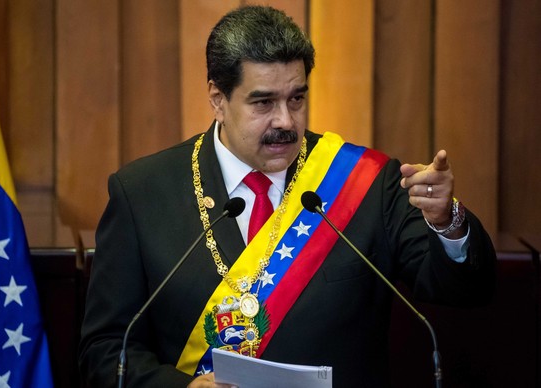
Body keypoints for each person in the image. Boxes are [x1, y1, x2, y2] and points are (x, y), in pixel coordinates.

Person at [79, 5, 496, 387]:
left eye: (297, 99)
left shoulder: (364, 182)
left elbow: (463, 290)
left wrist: (446, 221)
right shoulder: (143, 193)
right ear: (217, 100)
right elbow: (104, 352)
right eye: (263, 102)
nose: (285, 121)